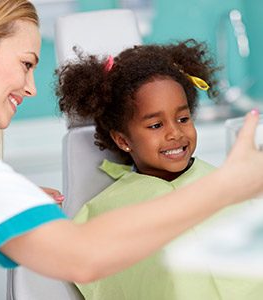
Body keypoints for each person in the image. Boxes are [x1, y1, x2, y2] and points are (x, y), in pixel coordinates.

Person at [0, 1, 263, 299]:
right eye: (26, 64)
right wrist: (225, 187)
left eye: (183, 118)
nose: (32, 88)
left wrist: (12, 197)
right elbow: (80, 257)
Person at [57, 41, 263, 300]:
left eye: (183, 119)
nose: (175, 133)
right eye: (155, 125)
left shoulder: (223, 181)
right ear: (122, 140)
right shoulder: (107, 211)